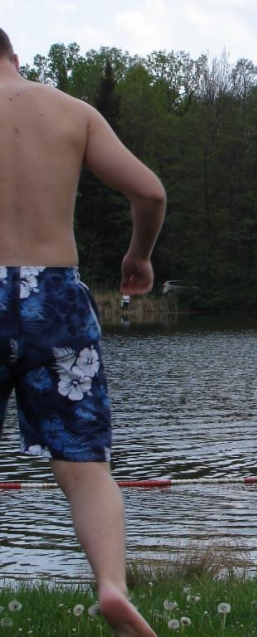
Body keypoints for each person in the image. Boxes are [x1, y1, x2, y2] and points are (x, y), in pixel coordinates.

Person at [0, 29, 165, 637]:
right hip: (56, 299)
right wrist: (138, 255)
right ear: (15, 59)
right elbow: (149, 191)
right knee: (86, 466)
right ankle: (112, 586)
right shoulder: (72, 112)